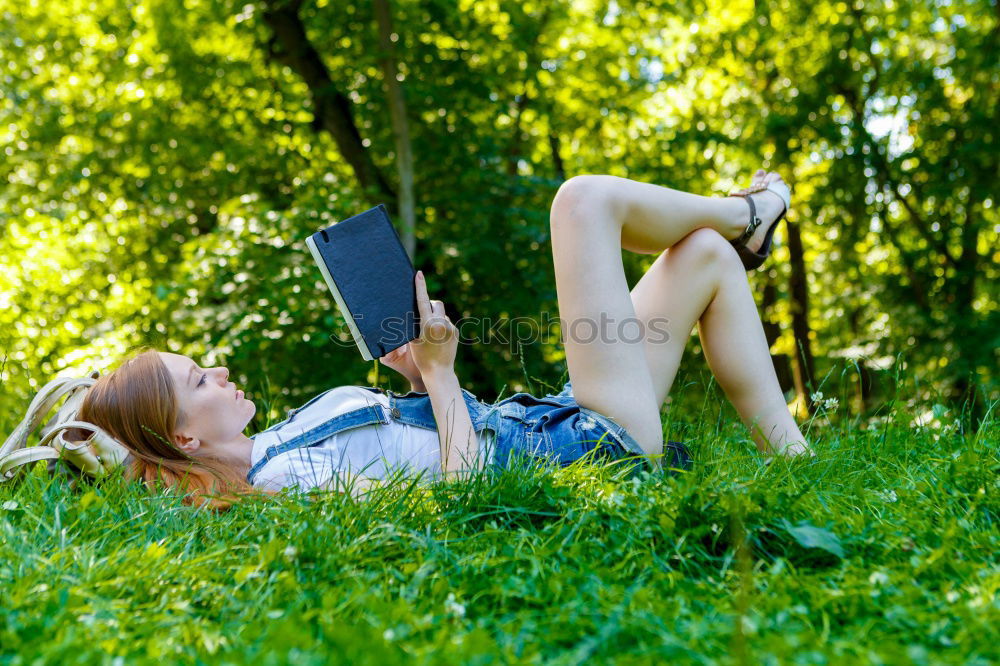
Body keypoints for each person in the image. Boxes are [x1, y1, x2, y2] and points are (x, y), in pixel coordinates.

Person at [75, 170, 813, 509]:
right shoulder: (285, 486)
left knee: (703, 260)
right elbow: (463, 496)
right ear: (185, 439)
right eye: (199, 379)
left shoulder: (279, 445)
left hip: (553, 418)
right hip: (590, 444)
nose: (220, 370)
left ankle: (797, 461)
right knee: (582, 202)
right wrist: (444, 372)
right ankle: (752, 212)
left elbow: (421, 448)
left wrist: (416, 378)